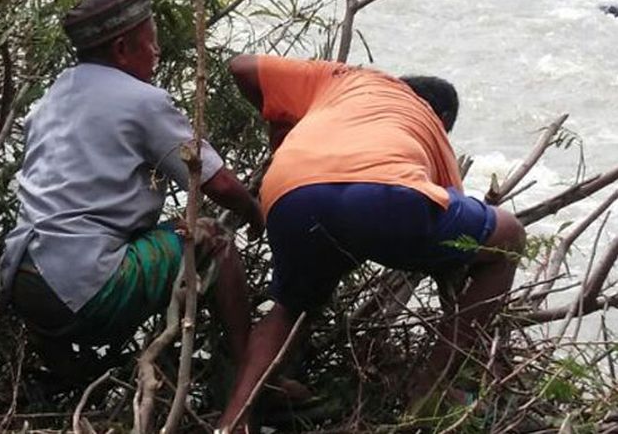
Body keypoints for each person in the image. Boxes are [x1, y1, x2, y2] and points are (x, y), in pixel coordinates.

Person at [217, 55, 526, 430]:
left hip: (290, 189)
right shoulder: (431, 131)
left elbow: (241, 68)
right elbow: (457, 259)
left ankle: (235, 420)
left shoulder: (345, 80)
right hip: (388, 193)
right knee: (508, 236)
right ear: (441, 120)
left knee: (289, 306)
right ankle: (430, 393)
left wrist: (281, 134)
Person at [0, 0, 264, 386]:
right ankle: (252, 376)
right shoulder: (142, 101)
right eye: (150, 43)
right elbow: (219, 183)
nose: (157, 53)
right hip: (84, 287)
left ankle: (71, 375)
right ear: (122, 49)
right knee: (214, 240)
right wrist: (256, 213)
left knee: (115, 243)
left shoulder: (53, 96)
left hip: (22, 280)